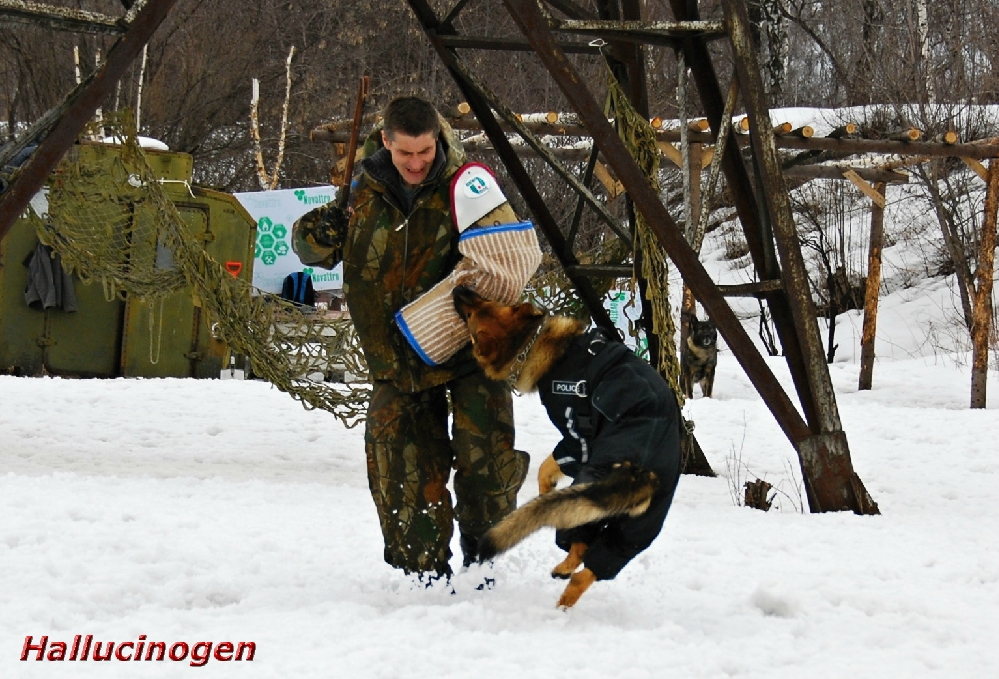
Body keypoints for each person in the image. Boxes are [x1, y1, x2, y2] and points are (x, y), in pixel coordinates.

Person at [293, 95, 540, 581]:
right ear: (385, 141)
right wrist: (320, 231)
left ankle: (483, 565)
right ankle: (420, 581)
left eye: (424, 152)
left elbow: (510, 262)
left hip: (470, 354)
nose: (415, 162)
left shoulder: (468, 187)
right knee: (400, 478)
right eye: (405, 153)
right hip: (398, 361)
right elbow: (309, 250)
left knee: (486, 470)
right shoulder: (361, 193)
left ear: (437, 140)